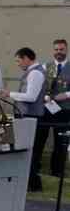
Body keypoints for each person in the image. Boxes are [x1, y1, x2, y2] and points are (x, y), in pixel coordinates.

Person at [3, 47, 46, 192]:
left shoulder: (35, 73)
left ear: (26, 58)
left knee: (29, 151)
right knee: (26, 150)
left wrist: (9, 94)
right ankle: (31, 183)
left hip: (31, 116)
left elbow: (31, 97)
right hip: (26, 115)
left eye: (18, 61)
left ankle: (33, 184)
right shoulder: (32, 72)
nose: (18, 64)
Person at [37, 39, 70, 179]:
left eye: (61, 49)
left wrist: (66, 95)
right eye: (56, 49)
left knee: (61, 141)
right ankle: (35, 167)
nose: (58, 52)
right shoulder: (46, 66)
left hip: (65, 110)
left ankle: (57, 170)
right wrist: (45, 96)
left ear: (66, 50)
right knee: (40, 139)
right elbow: (39, 86)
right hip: (46, 109)